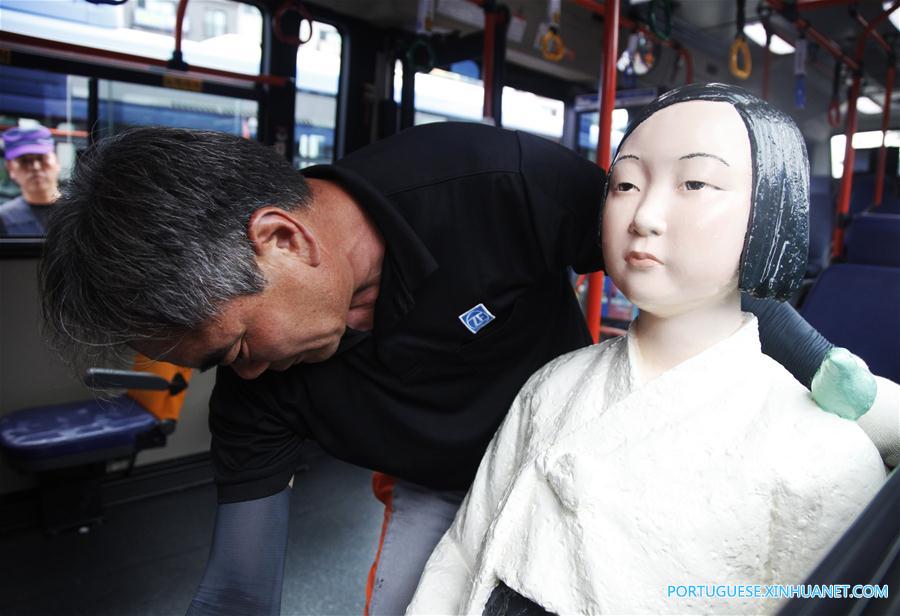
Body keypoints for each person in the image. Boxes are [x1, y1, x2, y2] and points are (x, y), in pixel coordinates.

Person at [38, 121, 896, 616]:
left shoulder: (498, 185)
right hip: (445, 494)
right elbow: (236, 590)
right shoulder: (258, 399)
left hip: (600, 454)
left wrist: (838, 385)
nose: (246, 377)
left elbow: (696, 278)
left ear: (282, 240)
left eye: (234, 348)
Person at [407, 84, 887, 615]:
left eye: (696, 182)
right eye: (626, 184)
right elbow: (465, 550)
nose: (645, 215)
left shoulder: (823, 457)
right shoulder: (552, 384)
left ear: (772, 214)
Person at [0, 125, 61, 236]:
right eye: (24, 161)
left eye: (41, 158)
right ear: (10, 168)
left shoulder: (81, 211)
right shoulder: (4, 219)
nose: (35, 167)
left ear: (56, 160)